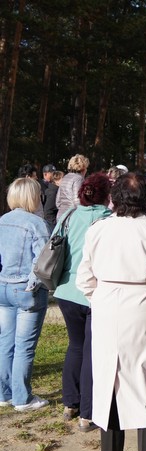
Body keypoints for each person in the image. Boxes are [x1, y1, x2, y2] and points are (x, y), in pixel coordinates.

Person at [76, 173, 146, 451]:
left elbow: (84, 278)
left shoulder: (98, 230)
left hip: (108, 308)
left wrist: (102, 299)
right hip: (145, 308)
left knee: (109, 379)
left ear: (115, 197)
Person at [53, 173, 112, 432]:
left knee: (76, 345)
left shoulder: (68, 216)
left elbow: (55, 244)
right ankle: (87, 414)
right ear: (107, 195)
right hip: (95, 292)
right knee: (92, 351)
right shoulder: (109, 220)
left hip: (67, 289)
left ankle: (70, 403)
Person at [0, 178, 50, 411]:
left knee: (6, 342)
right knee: (24, 346)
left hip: (3, 287)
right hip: (25, 290)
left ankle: (4, 393)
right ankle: (22, 398)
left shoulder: (3, 221)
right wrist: (34, 285)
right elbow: (42, 262)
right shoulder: (37, 224)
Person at [56, 154, 90, 220]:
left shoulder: (65, 177)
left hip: (61, 215)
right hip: (72, 217)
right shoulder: (79, 179)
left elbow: (58, 201)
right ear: (83, 168)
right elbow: (77, 201)